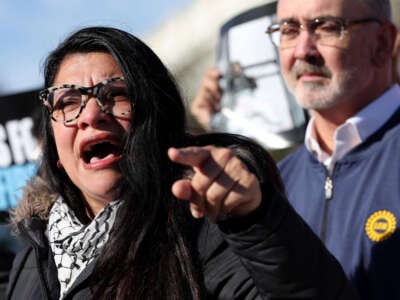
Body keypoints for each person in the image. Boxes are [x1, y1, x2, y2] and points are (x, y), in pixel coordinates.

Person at [5, 26, 356, 300]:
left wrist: (255, 222)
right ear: (55, 152)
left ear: (158, 120)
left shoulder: (207, 227)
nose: (91, 115)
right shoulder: (31, 261)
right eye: (68, 102)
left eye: (115, 94)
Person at [191, 0, 400, 299]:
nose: (303, 50)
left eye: (327, 27)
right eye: (288, 30)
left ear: (383, 42)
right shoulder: (272, 188)